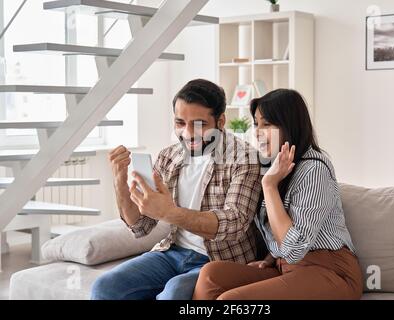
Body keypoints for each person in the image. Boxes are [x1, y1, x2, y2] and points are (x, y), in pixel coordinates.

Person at [91, 79, 261, 300]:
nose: (188, 133)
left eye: (198, 124)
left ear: (220, 121)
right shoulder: (168, 157)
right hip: (171, 252)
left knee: (173, 294)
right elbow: (140, 226)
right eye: (180, 123)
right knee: (104, 287)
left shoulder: (244, 158)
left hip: (219, 261)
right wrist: (119, 181)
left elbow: (234, 223)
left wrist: (169, 212)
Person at [193, 89, 363, 300]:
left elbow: (294, 249)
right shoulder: (273, 166)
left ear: (288, 125)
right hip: (287, 268)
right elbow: (279, 234)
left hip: (331, 272)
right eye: (256, 124)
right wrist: (271, 257)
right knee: (211, 275)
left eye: (267, 124)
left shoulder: (314, 170)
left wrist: (269, 186)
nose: (257, 132)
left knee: (232, 301)